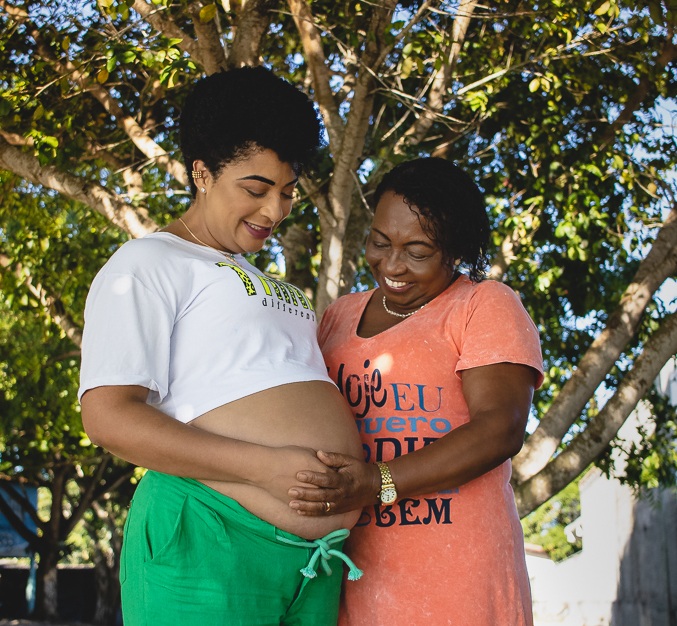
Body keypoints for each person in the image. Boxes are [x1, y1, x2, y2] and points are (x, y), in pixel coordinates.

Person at [78, 67, 363, 626]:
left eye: (286, 193)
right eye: (255, 190)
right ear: (202, 173)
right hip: (210, 540)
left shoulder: (273, 283)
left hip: (315, 564)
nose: (275, 211)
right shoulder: (148, 263)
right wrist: (265, 469)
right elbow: (108, 417)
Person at [289, 157, 544, 625]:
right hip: (352, 579)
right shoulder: (338, 316)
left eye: (418, 251)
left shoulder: (482, 305)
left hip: (456, 587)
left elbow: (500, 429)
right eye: (379, 242)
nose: (391, 265)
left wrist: (374, 482)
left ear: (455, 248)